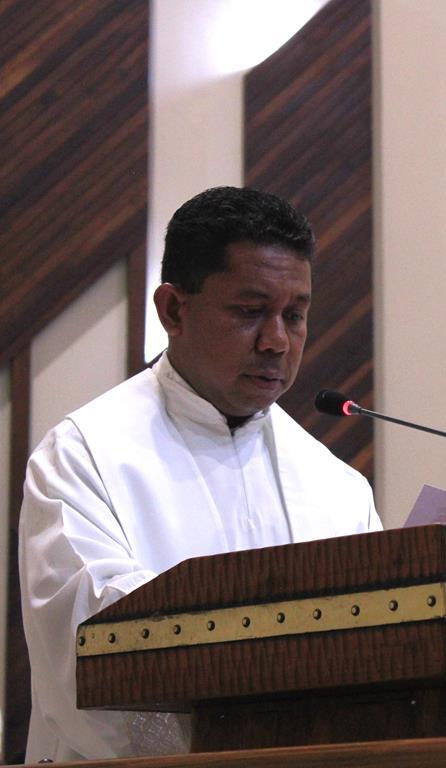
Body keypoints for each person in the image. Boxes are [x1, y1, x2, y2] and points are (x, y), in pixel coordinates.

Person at [19, 187, 382, 762]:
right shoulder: (84, 455)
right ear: (173, 310)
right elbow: (87, 650)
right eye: (249, 311)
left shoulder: (337, 487)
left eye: (294, 315)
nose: (277, 341)